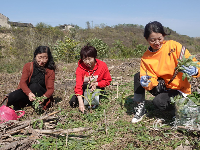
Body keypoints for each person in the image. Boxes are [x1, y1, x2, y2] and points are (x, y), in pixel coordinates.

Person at [131, 21, 200, 123]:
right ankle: (140, 108)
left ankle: (180, 108)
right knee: (138, 76)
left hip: (179, 88)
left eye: (160, 38)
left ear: (163, 35)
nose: (157, 43)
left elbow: (193, 63)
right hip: (164, 85)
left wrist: (195, 71)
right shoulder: (146, 57)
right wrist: (147, 83)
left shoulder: (174, 46)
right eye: (152, 40)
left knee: (159, 102)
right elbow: (151, 79)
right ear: (146, 39)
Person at [1, 46, 56, 110]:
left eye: (45, 58)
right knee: (12, 96)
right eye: (39, 57)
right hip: (28, 93)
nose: (42, 61)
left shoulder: (50, 70)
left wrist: (43, 97)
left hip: (41, 94)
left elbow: (50, 89)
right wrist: (29, 93)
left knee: (34, 86)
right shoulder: (28, 66)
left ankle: (38, 105)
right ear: (35, 56)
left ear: (48, 58)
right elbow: (23, 83)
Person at [69, 44, 112, 113]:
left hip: (97, 88)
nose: (87, 62)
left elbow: (108, 81)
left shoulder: (102, 65)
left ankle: (91, 102)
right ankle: (84, 102)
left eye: (90, 59)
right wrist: (80, 102)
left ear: (95, 57)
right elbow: (78, 86)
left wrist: (97, 83)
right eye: (85, 59)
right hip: (84, 88)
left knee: (92, 102)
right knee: (73, 102)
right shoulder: (80, 69)